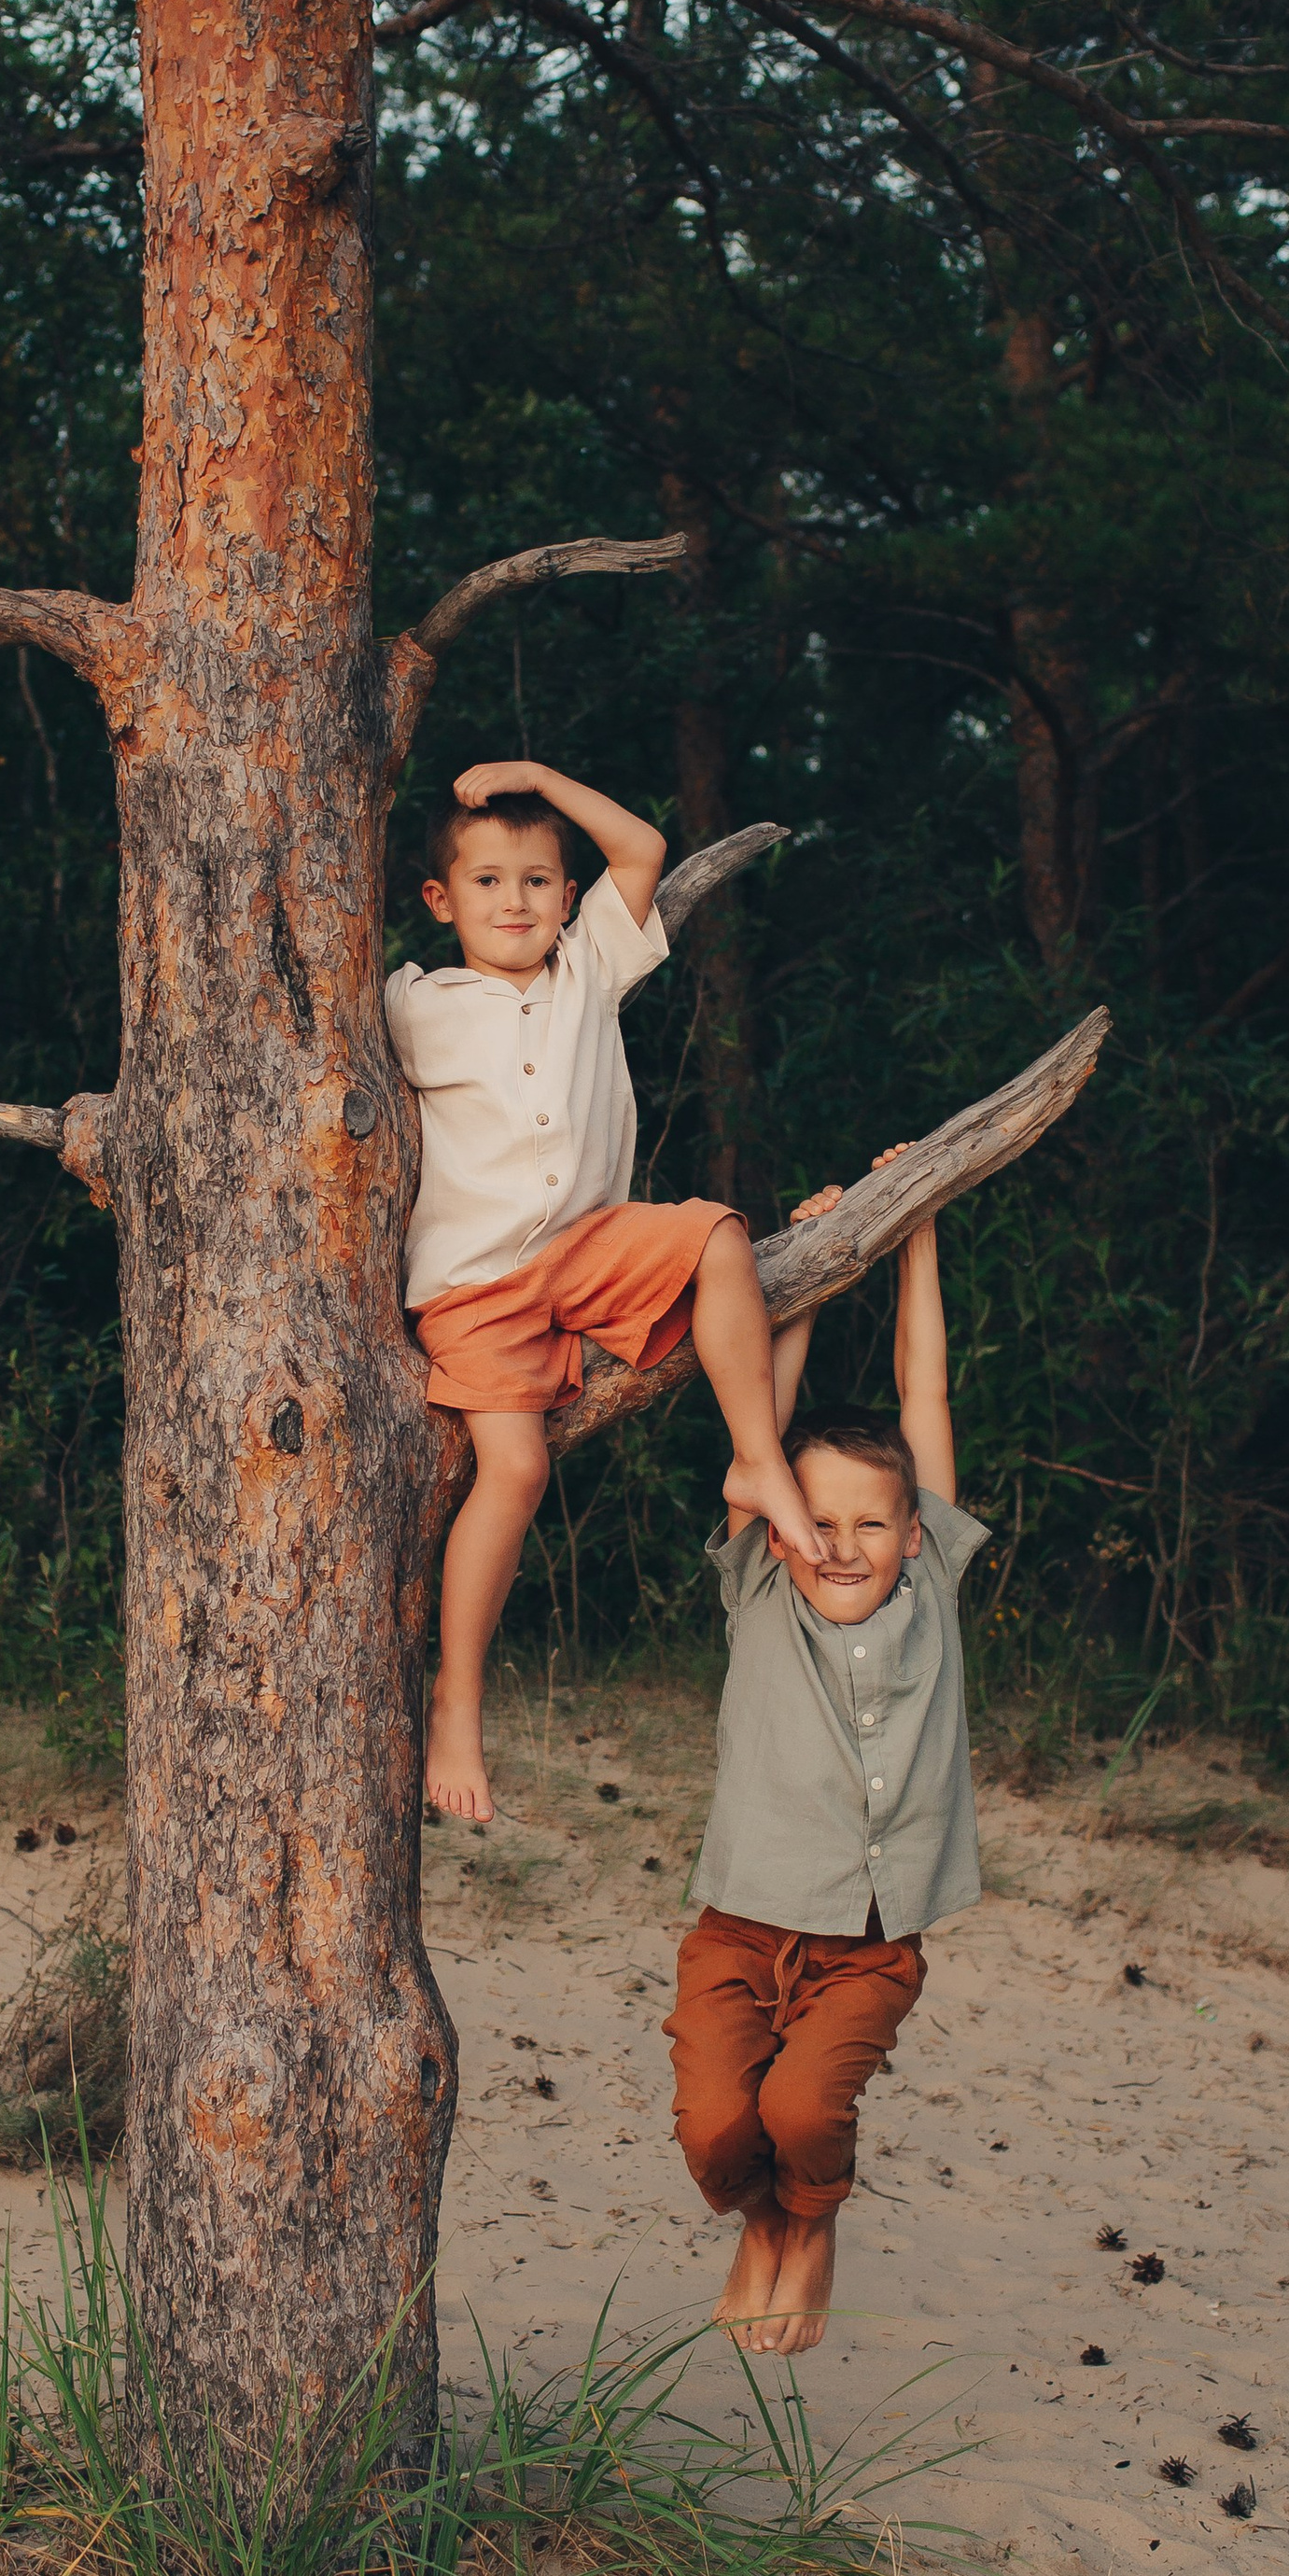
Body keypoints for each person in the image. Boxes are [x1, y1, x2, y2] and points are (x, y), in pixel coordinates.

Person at [386, 760, 832, 1826]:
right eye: (488, 882)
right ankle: (458, 1699)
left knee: (717, 1235)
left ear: (566, 898)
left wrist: (537, 775)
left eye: (538, 881)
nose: (514, 901)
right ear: (442, 903)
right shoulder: (411, 1001)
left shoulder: (589, 967)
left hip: (587, 1245)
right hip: (478, 1282)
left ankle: (756, 1464)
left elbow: (641, 849)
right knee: (518, 1468)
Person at [666, 1153, 991, 2356]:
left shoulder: (934, 1587)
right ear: (782, 1524)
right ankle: (761, 2219)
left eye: (873, 1524)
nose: (843, 1546)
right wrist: (800, 1279)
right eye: (822, 1521)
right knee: (713, 2130)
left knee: (805, 2112)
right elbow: (762, 1417)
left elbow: (926, 1400)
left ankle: (807, 2224)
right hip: (738, 1926)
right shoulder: (763, 1588)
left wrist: (908, 1234)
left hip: (867, 1943)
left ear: (914, 1535)